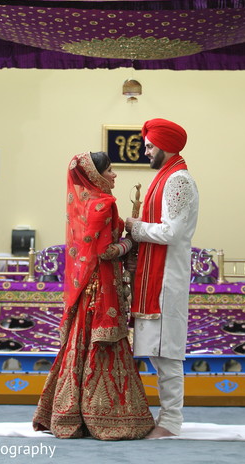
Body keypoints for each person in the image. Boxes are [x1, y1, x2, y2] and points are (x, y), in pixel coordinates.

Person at [33, 151, 154, 440]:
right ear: (97, 176)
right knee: (104, 342)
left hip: (88, 289)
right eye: (110, 171)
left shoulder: (83, 203)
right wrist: (129, 241)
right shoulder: (105, 203)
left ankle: (68, 413)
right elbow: (104, 252)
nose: (114, 175)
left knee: (80, 344)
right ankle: (111, 417)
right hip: (103, 288)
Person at [125, 118, 199, 439]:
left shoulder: (178, 180)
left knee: (167, 353)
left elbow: (172, 232)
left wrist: (134, 227)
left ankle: (171, 423)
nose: (146, 151)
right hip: (157, 276)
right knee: (157, 352)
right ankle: (164, 419)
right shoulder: (164, 179)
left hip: (167, 279)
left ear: (166, 147)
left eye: (150, 146)